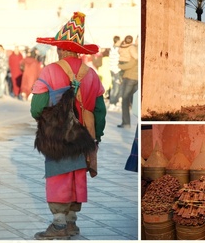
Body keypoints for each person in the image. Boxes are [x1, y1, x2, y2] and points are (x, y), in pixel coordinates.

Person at [30, 12, 106, 240]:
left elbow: (37, 108)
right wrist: (96, 136)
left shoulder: (50, 71)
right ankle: (73, 223)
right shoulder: (92, 74)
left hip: (58, 137)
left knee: (59, 176)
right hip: (84, 137)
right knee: (76, 176)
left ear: (62, 49)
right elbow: (100, 112)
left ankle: (59, 225)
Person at [117, 38, 138, 128]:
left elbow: (130, 64)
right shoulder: (134, 49)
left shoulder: (134, 50)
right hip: (136, 78)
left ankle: (126, 122)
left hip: (129, 77)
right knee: (134, 101)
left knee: (125, 100)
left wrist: (119, 66)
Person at [108, 36, 121, 110]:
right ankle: (112, 103)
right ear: (116, 41)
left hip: (113, 70)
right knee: (115, 87)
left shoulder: (112, 48)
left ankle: (114, 103)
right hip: (116, 70)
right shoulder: (116, 49)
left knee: (116, 87)